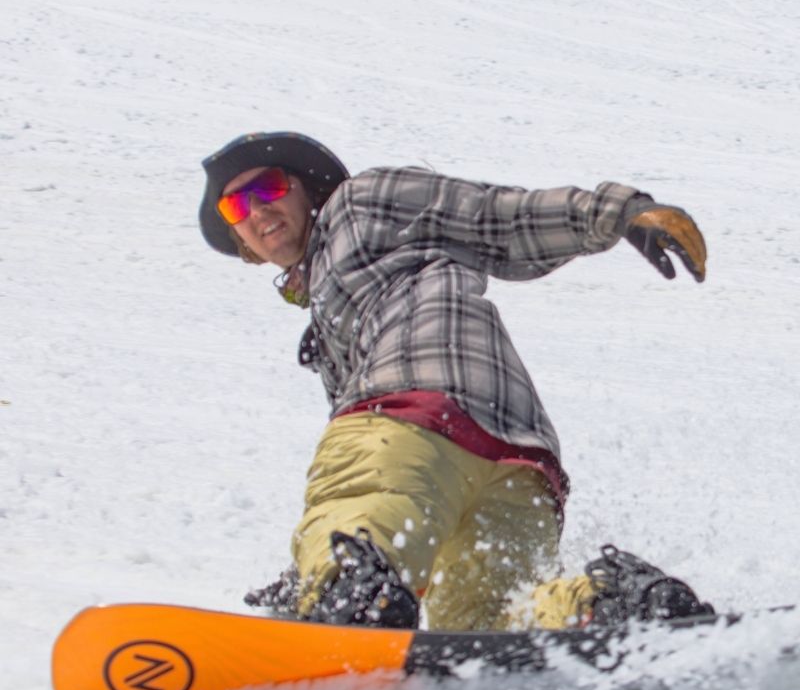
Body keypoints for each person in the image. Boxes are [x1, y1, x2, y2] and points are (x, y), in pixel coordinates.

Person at [198, 131, 714, 632]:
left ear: (306, 187)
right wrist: (300, 578)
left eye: (267, 188)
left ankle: (349, 595)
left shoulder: (359, 203)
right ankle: (613, 607)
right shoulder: (331, 314)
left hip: (411, 420)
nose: (257, 211)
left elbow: (495, 216)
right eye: (235, 209)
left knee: (356, 526)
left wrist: (621, 213)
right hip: (517, 460)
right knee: (485, 621)